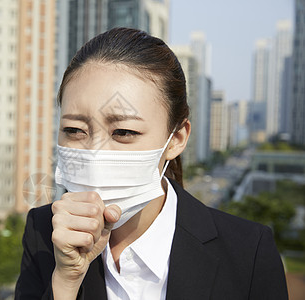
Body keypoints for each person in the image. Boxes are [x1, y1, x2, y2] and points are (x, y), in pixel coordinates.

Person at [15, 28, 288, 300]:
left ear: (176, 139)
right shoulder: (44, 231)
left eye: (123, 132)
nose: (95, 153)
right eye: (75, 130)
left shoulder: (248, 251)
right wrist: (65, 282)